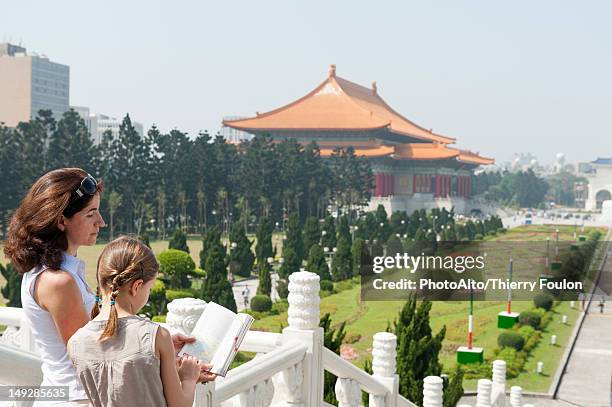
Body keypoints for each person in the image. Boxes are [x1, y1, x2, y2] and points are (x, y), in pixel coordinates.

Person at [3, 169, 205, 406]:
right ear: (60, 220)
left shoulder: (59, 272)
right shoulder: (57, 281)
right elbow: (93, 353)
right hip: (77, 398)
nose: (101, 222)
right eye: (91, 214)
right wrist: (157, 346)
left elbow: (104, 332)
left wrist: (162, 343)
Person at [68, 236, 216, 406]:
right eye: (149, 288)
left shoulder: (76, 343)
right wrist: (189, 378)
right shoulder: (156, 335)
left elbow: (121, 385)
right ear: (137, 286)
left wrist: (163, 359)